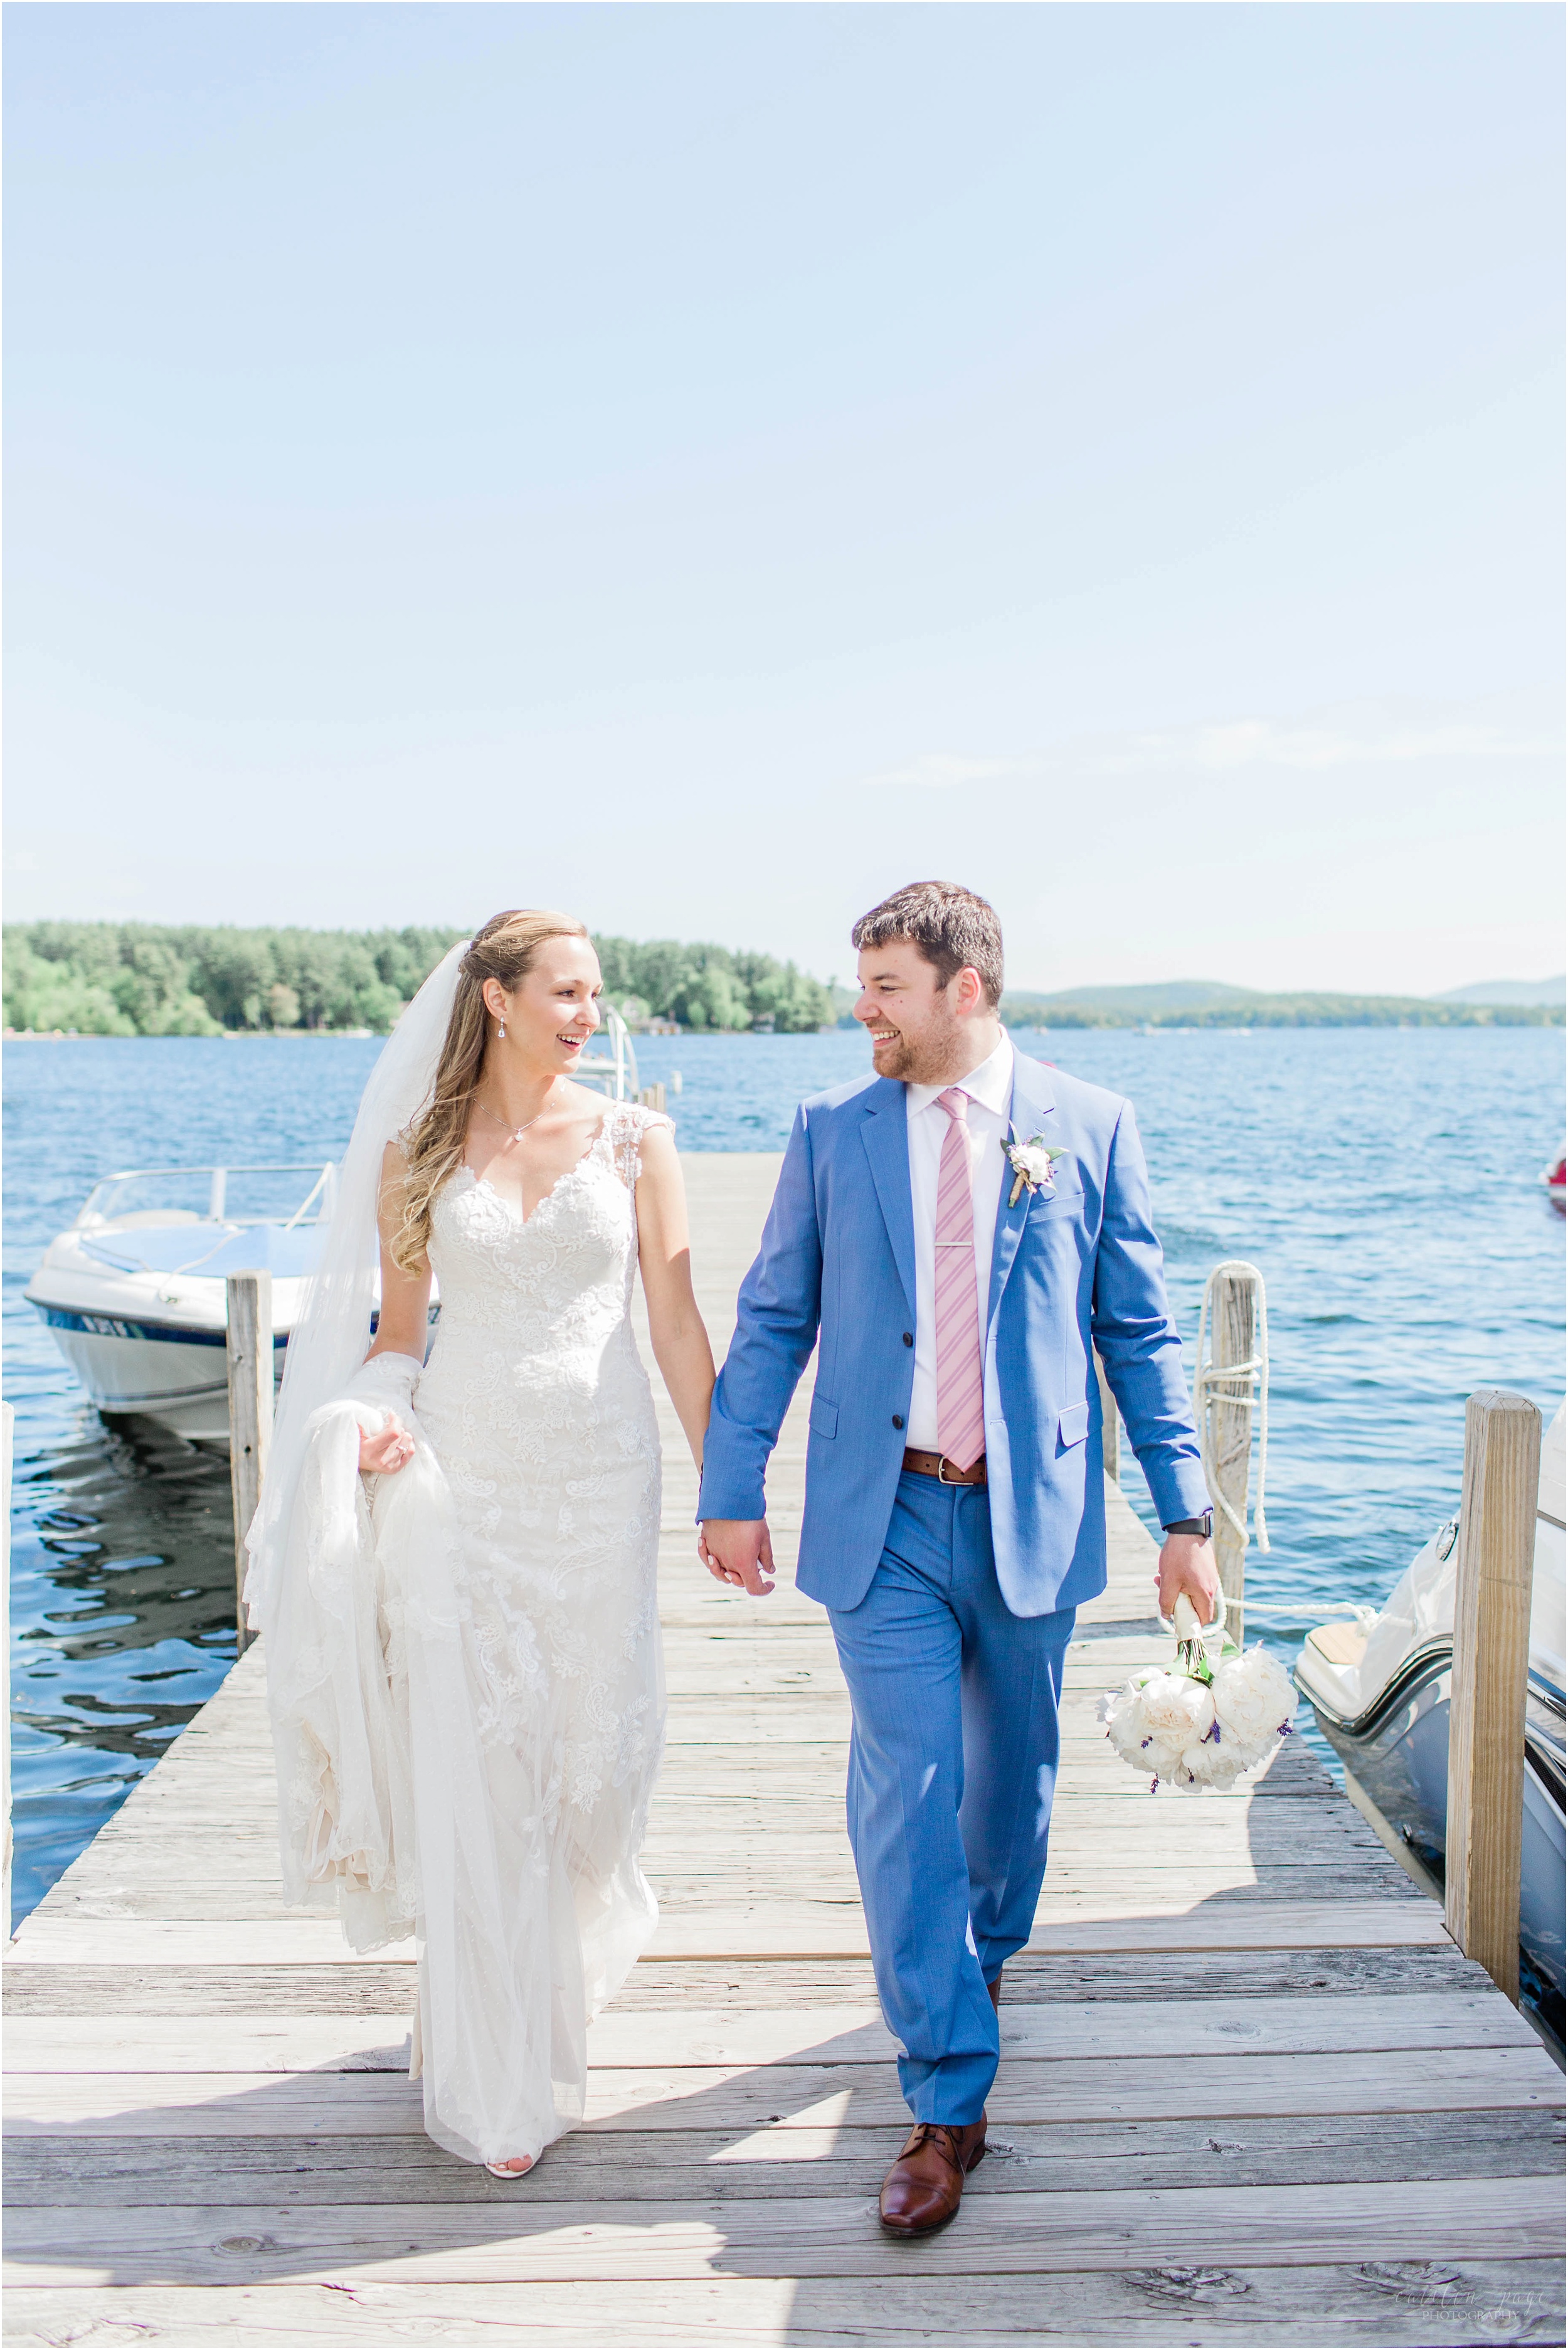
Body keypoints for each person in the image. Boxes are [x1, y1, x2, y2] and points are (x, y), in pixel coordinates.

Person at [698, 881, 1217, 2238]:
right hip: (883, 1520)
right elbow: (770, 1318)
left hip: (1030, 1516)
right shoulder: (830, 1129)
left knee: (1012, 1797)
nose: (858, 1007)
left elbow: (1139, 1334)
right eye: (860, 982)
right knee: (906, 1787)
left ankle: (973, 1964)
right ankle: (944, 2094)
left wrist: (1183, 1515)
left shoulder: (1086, 1126)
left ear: (961, 989)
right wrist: (731, 1483)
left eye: (883, 985)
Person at [245, 911, 714, 2175]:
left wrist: (730, 1476)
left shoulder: (634, 1139)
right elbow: (398, 1338)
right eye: (564, 990)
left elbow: (673, 1322)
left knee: (596, 1779)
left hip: (604, 1484)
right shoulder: (416, 1151)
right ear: (496, 999)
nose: (586, 1013)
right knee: (487, 1769)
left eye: (595, 994)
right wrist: (371, 1416)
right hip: (470, 1484)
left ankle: (554, 1961)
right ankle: (493, 2071)